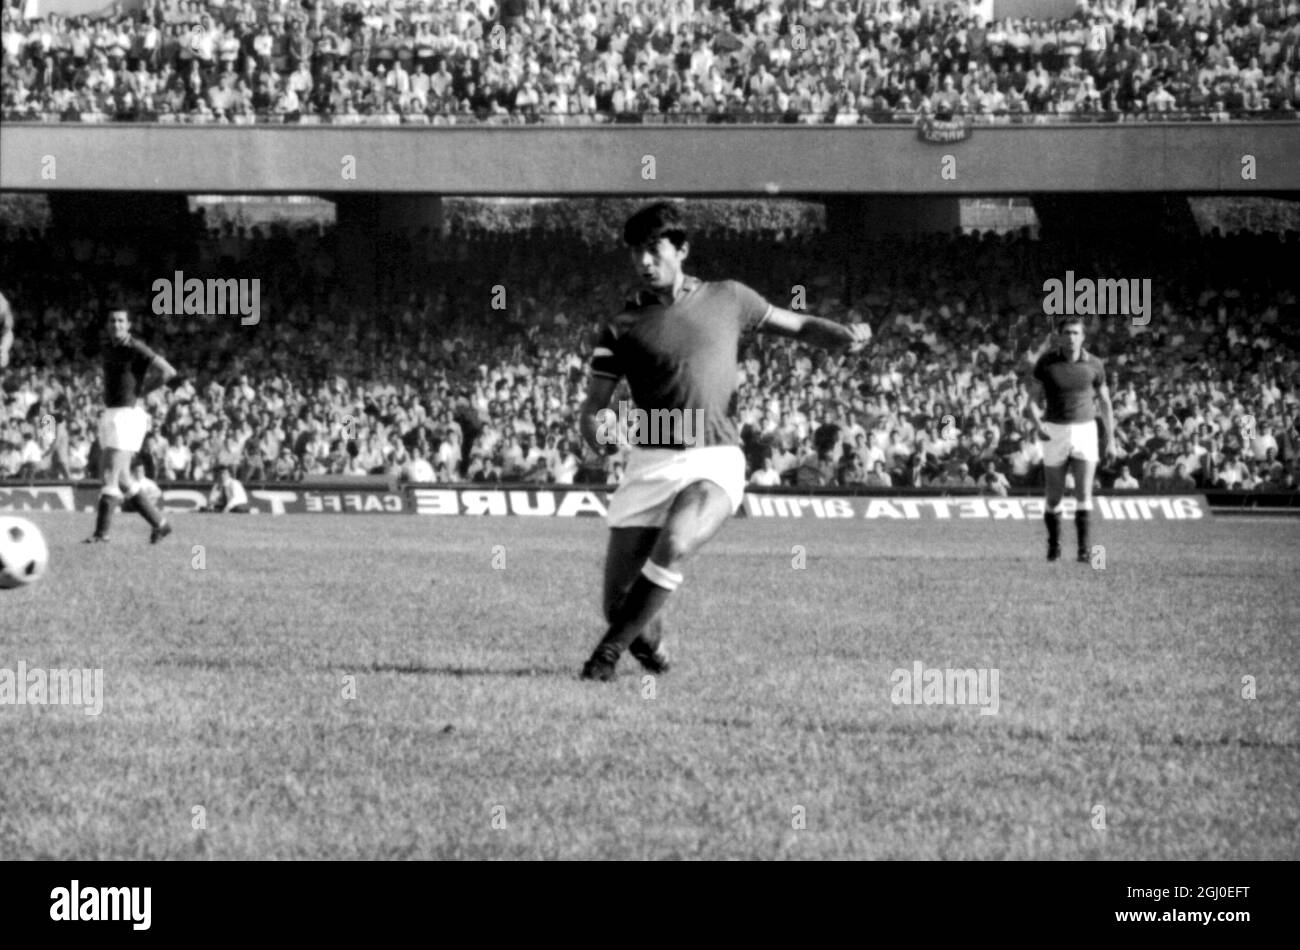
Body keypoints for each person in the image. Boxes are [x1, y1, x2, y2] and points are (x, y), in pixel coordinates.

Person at [577, 202, 871, 681]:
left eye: (654, 250)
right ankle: (650, 649)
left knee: (675, 542)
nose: (644, 262)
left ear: (682, 250)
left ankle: (603, 658)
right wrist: (600, 433)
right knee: (618, 605)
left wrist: (839, 336)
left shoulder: (729, 297)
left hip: (715, 457)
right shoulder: (619, 327)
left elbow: (795, 324)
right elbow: (595, 406)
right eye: (635, 253)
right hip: (650, 460)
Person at [1024, 316, 1115, 563]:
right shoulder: (1046, 363)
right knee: (1054, 495)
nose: (1071, 337)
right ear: (1059, 336)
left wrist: (1112, 440)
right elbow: (1031, 402)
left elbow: (1105, 404)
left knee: (1084, 494)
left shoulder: (1095, 364)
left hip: (1086, 430)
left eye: (1076, 333)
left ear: (1083, 337)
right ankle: (1054, 547)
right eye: (1067, 332)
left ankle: (1084, 551)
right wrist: (1037, 423)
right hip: (1055, 430)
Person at [86, 308, 177, 543]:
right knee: (124, 478)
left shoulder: (135, 347)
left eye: (120, 321)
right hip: (111, 413)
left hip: (127, 415)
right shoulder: (109, 348)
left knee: (111, 474)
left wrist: (143, 391)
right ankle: (160, 524)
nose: (116, 324)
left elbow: (169, 372)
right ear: (108, 324)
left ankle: (101, 534)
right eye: (112, 320)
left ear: (128, 325)